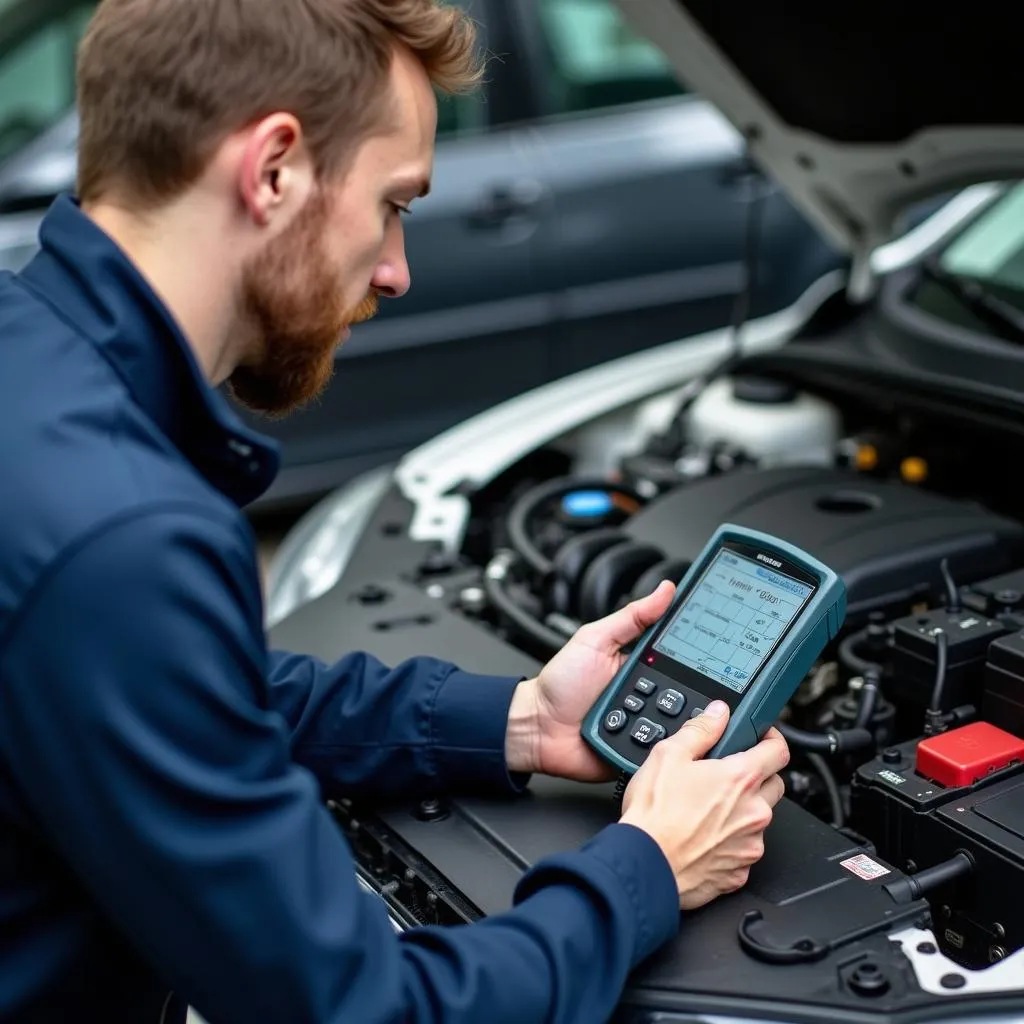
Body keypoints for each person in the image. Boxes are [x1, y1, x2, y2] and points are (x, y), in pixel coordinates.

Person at [0, 1, 790, 1021]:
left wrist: (518, 722)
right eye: (394, 204)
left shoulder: (27, 354)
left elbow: (175, 702)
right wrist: (646, 864)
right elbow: (360, 1009)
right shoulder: (123, 533)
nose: (395, 270)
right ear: (274, 168)